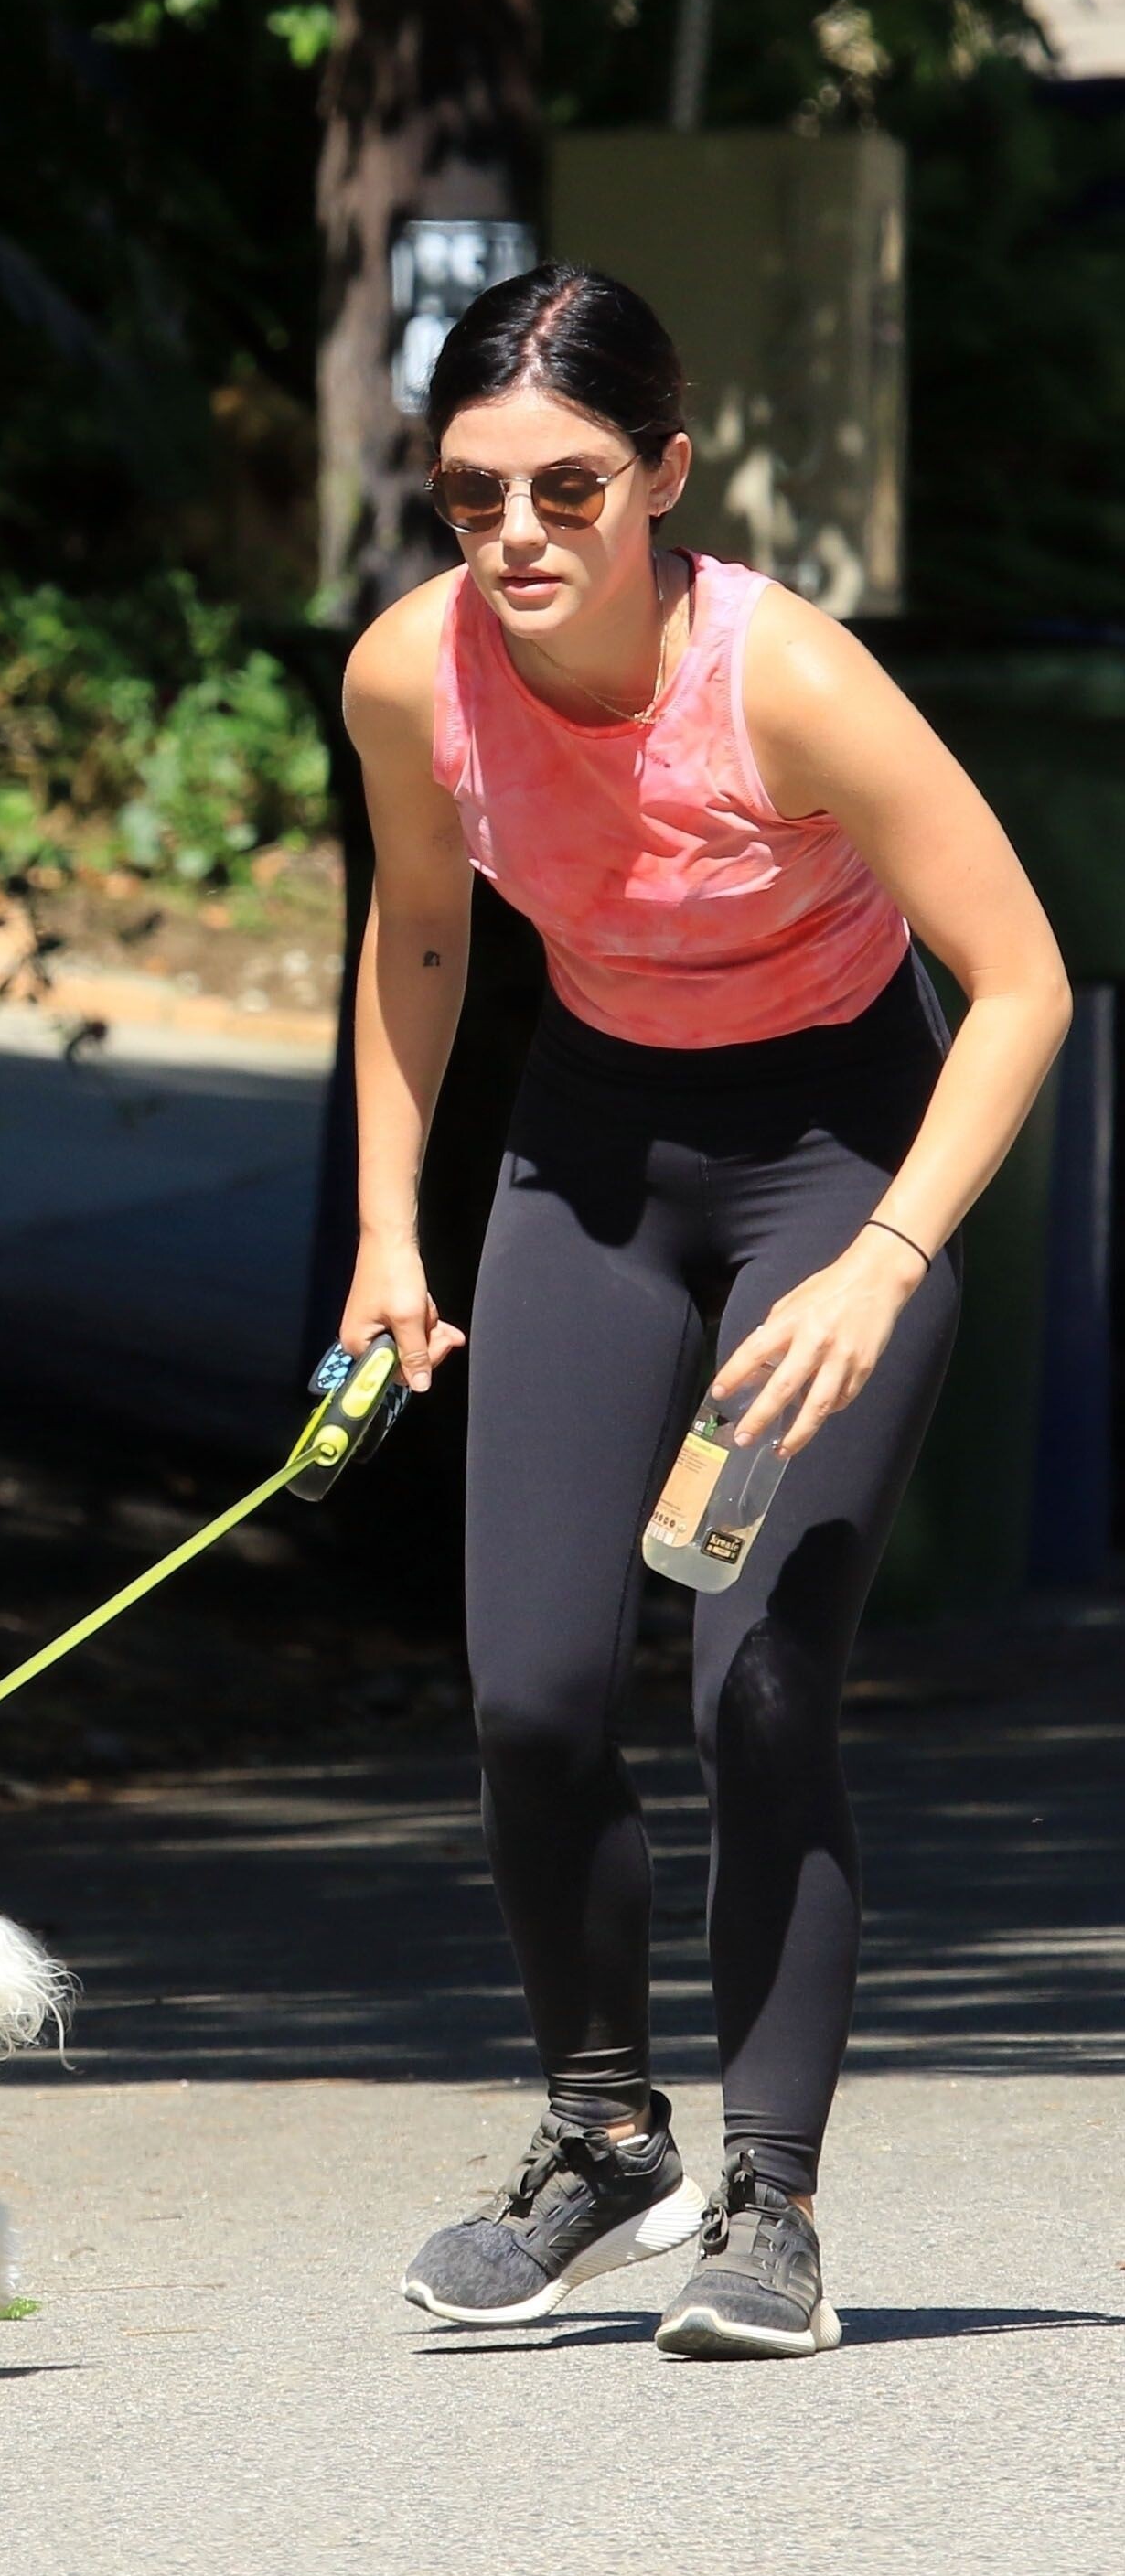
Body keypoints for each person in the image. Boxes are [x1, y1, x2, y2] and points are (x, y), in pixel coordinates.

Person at [338, 260, 1071, 2358]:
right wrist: (390, 1228)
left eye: (569, 486)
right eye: (473, 492)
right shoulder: (411, 674)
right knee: (532, 1693)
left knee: (759, 1684)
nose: (518, 533)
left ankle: (775, 2199)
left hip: (836, 1159)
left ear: (663, 474)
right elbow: (417, 935)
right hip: (594, 1157)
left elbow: (1021, 978)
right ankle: (602, 2137)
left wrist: (886, 1255)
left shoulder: (791, 679)